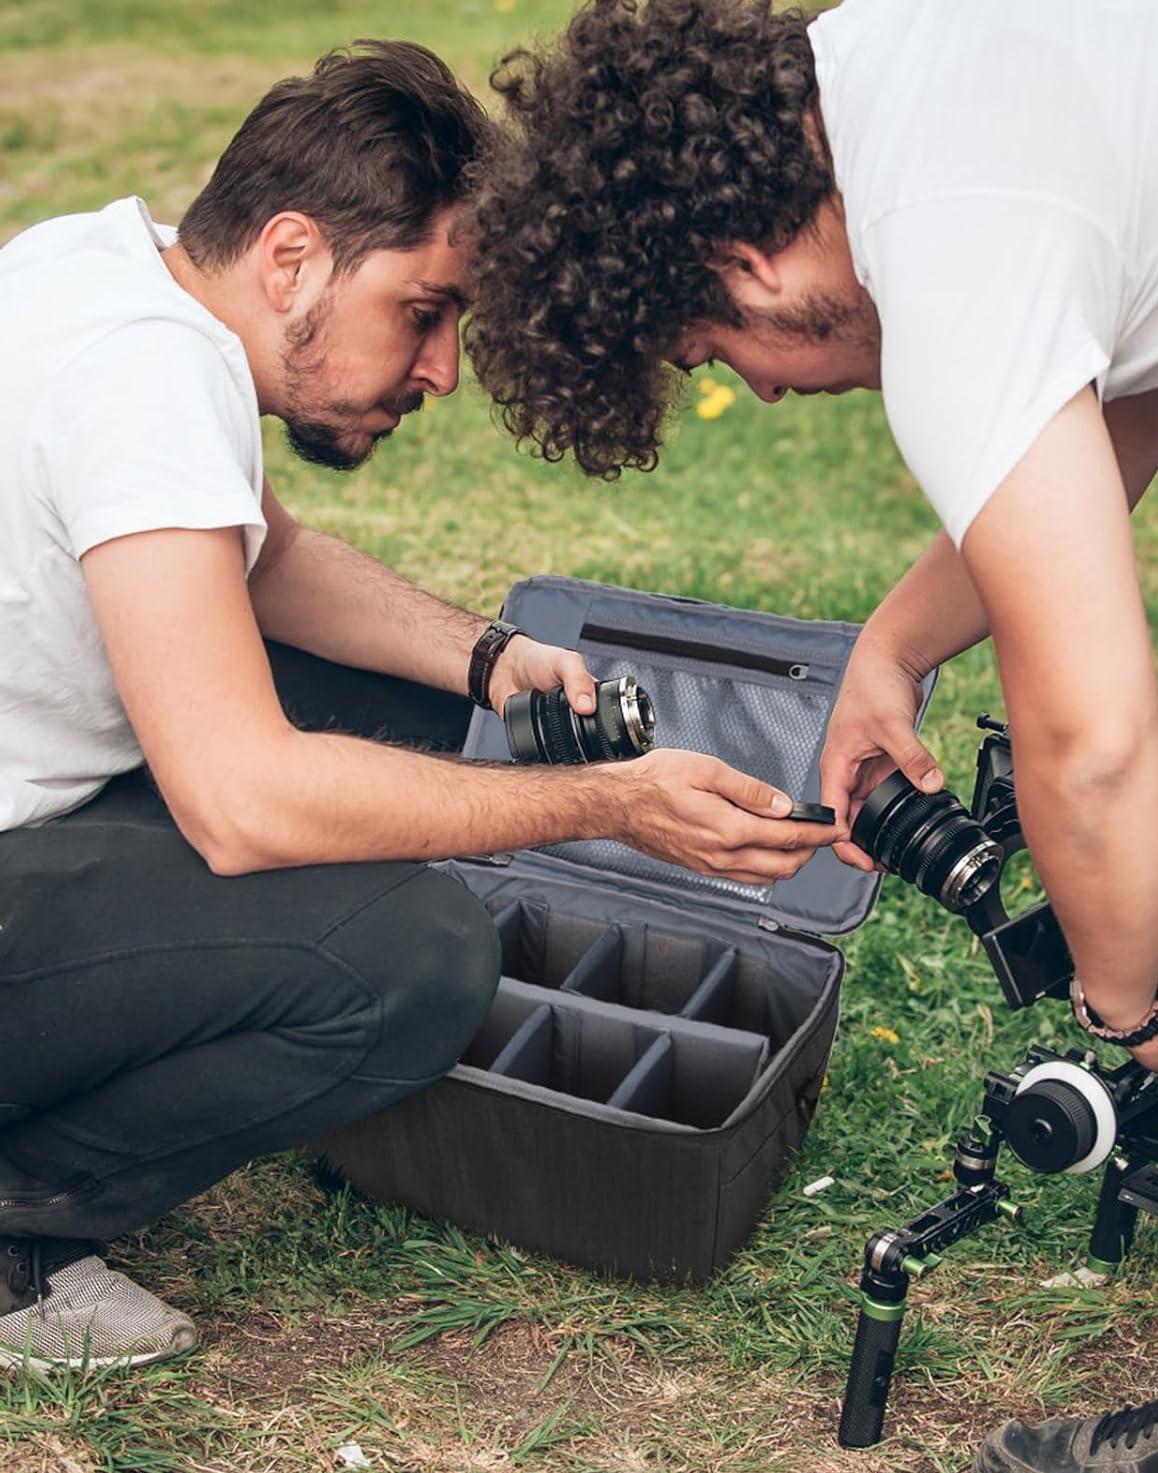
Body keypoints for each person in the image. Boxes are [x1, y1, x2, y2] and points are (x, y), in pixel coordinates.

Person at [462, 0, 1158, 1473]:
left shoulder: (937, 236)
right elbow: (1137, 391)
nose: (759, 387)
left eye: (717, 351)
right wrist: (895, 644)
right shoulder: (920, 77)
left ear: (744, 261)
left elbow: (1090, 742)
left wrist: (1127, 990)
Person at [0, 38, 840, 1372]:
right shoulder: (140, 374)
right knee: (415, 964)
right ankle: (17, 1226)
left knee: (402, 719)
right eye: (425, 310)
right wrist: (606, 804)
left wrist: (486, 658)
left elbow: (259, 560)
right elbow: (239, 802)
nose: (441, 371)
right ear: (292, 258)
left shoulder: (112, 270)